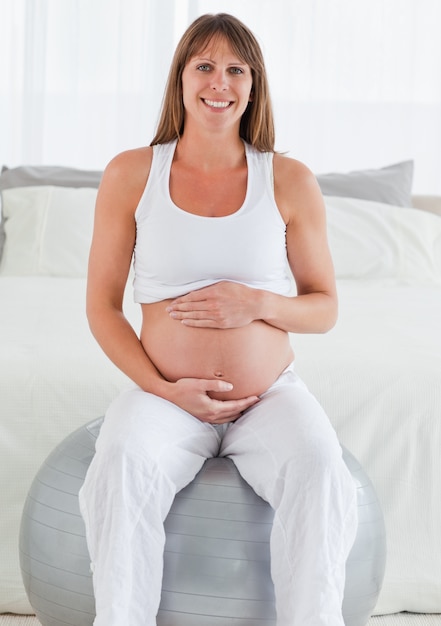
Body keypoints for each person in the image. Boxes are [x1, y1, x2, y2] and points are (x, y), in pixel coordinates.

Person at [79, 12, 357, 626]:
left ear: (254, 85)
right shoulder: (132, 173)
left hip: (268, 397)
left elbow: (324, 307)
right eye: (203, 65)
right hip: (165, 395)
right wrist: (164, 388)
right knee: (121, 460)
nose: (219, 82)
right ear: (180, 79)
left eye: (236, 69)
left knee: (318, 463)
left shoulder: (288, 179)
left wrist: (258, 303)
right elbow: (102, 307)